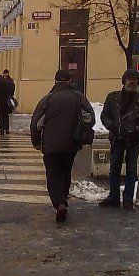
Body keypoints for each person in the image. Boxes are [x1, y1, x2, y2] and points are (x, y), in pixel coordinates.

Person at [31, 69, 95, 223]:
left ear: (55, 81)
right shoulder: (78, 98)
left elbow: (36, 123)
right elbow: (90, 118)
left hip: (51, 145)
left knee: (53, 174)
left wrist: (36, 142)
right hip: (70, 144)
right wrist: (79, 131)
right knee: (66, 171)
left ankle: (58, 202)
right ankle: (63, 200)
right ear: (69, 81)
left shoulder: (47, 99)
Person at [99, 69, 139, 210]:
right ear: (124, 81)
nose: (132, 82)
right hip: (117, 137)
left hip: (134, 139)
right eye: (129, 79)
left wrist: (138, 127)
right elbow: (105, 115)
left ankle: (128, 199)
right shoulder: (113, 98)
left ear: (138, 82)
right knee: (114, 168)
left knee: (131, 169)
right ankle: (113, 197)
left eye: (134, 80)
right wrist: (112, 126)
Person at [0, 69, 15, 135]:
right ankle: (7, 129)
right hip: (6, 103)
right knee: (6, 116)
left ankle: (2, 129)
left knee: (1, 116)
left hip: (0, 104)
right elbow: (11, 92)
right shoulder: (7, 85)